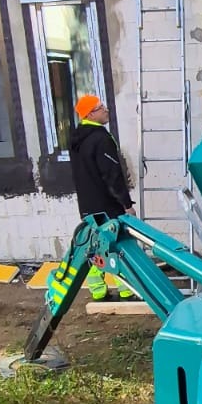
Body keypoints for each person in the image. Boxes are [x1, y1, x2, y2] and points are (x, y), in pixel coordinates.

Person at [66, 94, 134, 302]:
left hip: (88, 205)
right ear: (90, 114)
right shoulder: (100, 138)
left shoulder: (77, 139)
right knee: (118, 245)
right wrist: (126, 203)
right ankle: (126, 290)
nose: (106, 109)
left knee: (95, 246)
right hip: (108, 206)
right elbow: (112, 175)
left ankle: (98, 291)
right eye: (100, 107)